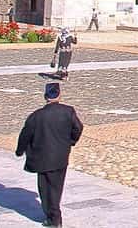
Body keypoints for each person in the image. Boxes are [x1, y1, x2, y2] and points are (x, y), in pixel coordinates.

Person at [16, 82, 84, 227]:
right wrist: (71, 141)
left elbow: (25, 135)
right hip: (60, 157)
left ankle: (53, 218)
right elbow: (78, 128)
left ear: (45, 96)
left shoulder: (37, 116)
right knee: (57, 187)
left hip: (42, 158)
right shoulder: (68, 111)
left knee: (46, 189)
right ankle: (54, 215)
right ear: (59, 95)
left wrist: (20, 151)